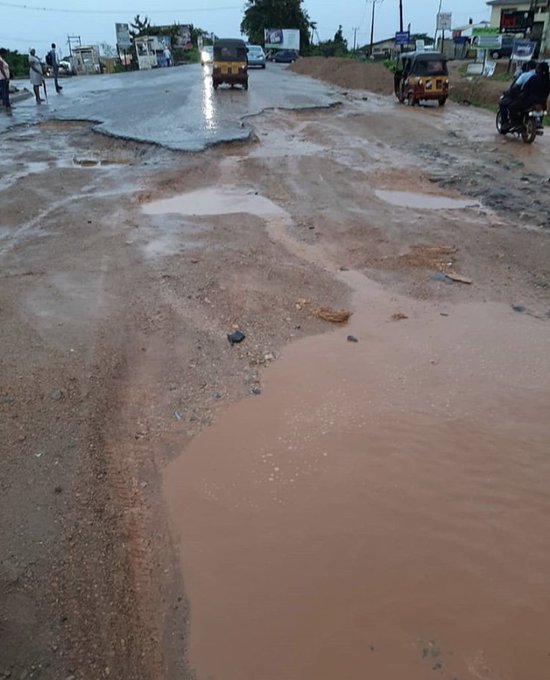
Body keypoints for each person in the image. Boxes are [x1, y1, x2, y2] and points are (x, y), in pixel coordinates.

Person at [508, 61, 550, 127]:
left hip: (529, 102)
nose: (536, 69)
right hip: (542, 104)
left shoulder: (534, 78)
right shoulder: (548, 81)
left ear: (539, 70)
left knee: (512, 106)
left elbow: (525, 89)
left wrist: (520, 95)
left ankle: (517, 124)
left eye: (537, 68)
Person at [499, 60, 537, 131]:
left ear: (528, 67)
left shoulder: (525, 75)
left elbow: (515, 87)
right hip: (539, 101)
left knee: (507, 105)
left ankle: (513, 124)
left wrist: (509, 93)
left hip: (526, 100)